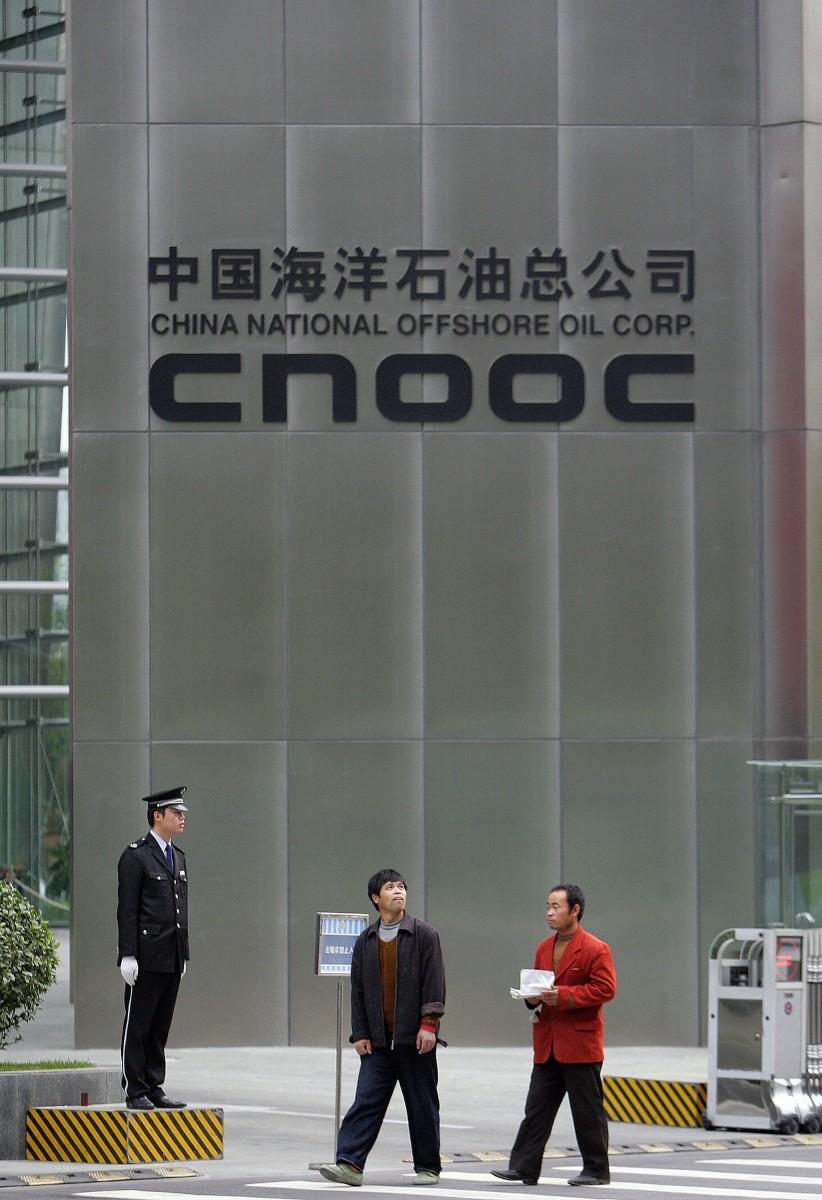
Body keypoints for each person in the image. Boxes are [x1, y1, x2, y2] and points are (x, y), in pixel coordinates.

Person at [319, 869, 446, 1187]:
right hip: (377, 1041)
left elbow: (435, 982)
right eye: (391, 888)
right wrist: (359, 1033)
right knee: (365, 1102)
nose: (399, 891)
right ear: (376, 898)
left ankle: (428, 1167)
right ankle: (349, 1164)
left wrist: (429, 1025)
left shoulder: (424, 935)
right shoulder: (366, 940)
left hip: (413, 1039)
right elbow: (358, 990)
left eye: (402, 887)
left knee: (421, 1104)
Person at [492, 884, 616, 1188]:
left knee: (587, 1111)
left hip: (580, 1043)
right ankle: (523, 1167)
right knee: (536, 1108)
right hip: (547, 1042)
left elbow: (606, 989)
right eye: (547, 906)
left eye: (556, 907)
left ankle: (597, 1169)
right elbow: (538, 986)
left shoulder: (595, 948)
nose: (549, 912)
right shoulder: (544, 946)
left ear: (575, 910)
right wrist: (531, 998)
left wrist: (564, 996)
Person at [117, 785, 190, 1111]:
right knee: (139, 1024)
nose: (182, 818)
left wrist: (182, 953)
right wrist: (127, 954)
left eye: (182, 813)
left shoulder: (179, 856)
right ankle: (135, 1089)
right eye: (176, 813)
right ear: (157, 815)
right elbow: (127, 909)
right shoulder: (136, 856)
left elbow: (179, 909)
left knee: (160, 1025)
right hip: (145, 957)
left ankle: (154, 1085)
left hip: (170, 955)